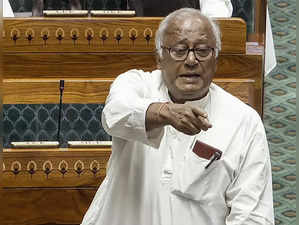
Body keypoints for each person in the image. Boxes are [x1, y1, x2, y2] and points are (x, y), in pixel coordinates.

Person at [81, 8, 274, 225]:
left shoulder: (243, 121)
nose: (191, 60)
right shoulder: (135, 85)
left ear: (216, 59)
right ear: (160, 58)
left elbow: (253, 216)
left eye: (202, 50)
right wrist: (166, 112)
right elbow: (114, 115)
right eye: (179, 50)